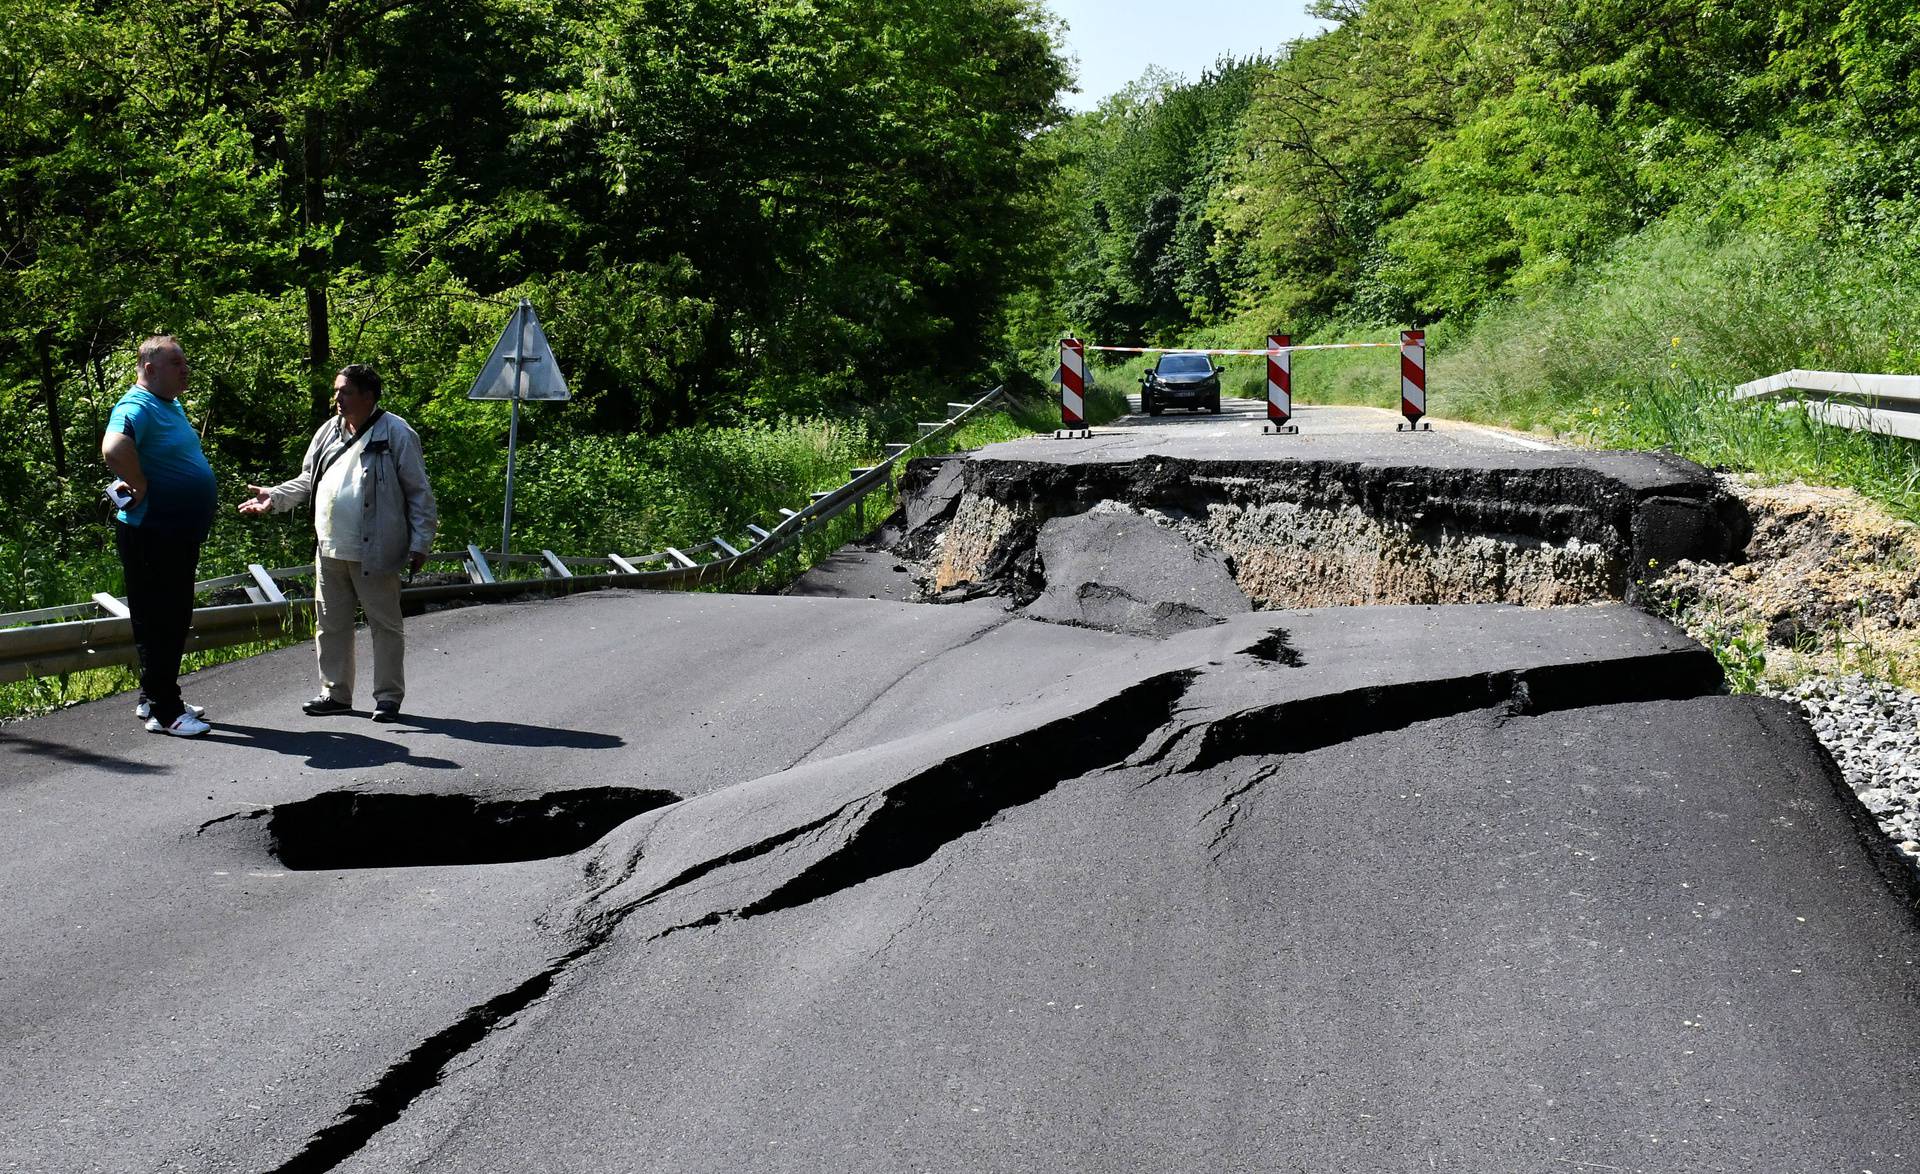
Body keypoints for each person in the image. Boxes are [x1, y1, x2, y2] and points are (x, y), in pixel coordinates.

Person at [238, 364, 437, 723]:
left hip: (376, 548)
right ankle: (335, 694)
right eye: (336, 391)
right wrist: (273, 497)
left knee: (385, 625)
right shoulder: (328, 431)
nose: (337, 399)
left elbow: (419, 492)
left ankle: (388, 698)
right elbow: (306, 479)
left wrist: (421, 541)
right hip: (329, 546)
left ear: (368, 396)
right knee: (330, 625)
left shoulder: (397, 432)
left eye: (344, 392)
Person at [102, 335, 218, 737]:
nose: (186, 369)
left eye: (185, 362)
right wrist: (140, 485)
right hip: (153, 534)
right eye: (176, 363)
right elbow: (114, 448)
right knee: (164, 620)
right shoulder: (136, 404)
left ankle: (151, 697)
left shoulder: (168, 404)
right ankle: (166, 712)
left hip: (174, 533)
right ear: (150, 369)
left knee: (164, 618)